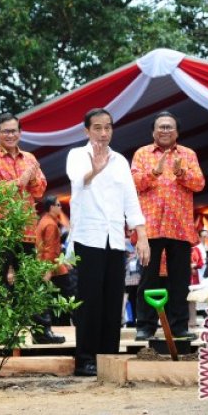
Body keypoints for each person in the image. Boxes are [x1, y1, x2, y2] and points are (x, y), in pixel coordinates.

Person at [67, 108, 150, 377]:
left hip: (115, 239)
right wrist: (95, 170)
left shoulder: (120, 161)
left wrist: (142, 236)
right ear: (87, 131)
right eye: (98, 128)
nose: (104, 133)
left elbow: (131, 200)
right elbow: (78, 181)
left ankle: (108, 356)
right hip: (88, 237)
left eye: (108, 127)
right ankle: (85, 359)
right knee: (90, 300)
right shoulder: (77, 155)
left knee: (114, 299)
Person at [131, 111, 204, 342]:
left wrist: (182, 173)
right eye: (161, 127)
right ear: (153, 131)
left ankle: (179, 326)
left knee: (179, 280)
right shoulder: (142, 154)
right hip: (150, 227)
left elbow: (199, 183)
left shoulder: (188, 154)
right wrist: (155, 172)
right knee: (147, 279)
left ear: (177, 132)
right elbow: (135, 183)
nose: (165, 131)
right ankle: (144, 326)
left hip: (180, 227)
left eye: (169, 127)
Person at [0, 113, 55, 342]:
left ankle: (41, 332)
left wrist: (29, 179)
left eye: (14, 130)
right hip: (0, 230)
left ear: (20, 133)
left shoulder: (30, 157)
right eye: (5, 131)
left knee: (30, 280)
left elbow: (40, 189)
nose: (10, 135)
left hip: (26, 229)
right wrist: (19, 182)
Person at [35, 196, 75, 334]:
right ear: (51, 207)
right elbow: (50, 250)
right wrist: (49, 270)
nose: (60, 207)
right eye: (58, 205)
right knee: (64, 302)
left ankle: (58, 328)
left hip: (52, 267)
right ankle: (65, 330)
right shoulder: (51, 224)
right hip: (54, 270)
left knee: (54, 302)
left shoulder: (44, 221)